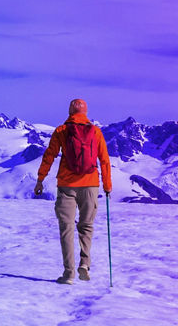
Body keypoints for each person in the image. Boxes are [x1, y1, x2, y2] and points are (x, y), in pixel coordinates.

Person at [34, 99, 112, 285]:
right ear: (86, 112)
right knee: (86, 226)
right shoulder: (95, 132)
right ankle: (84, 264)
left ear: (69, 111)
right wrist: (107, 185)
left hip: (66, 185)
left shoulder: (61, 130)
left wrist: (40, 179)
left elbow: (49, 156)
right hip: (90, 185)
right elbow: (104, 160)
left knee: (66, 229)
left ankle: (68, 274)